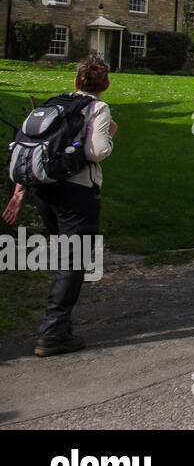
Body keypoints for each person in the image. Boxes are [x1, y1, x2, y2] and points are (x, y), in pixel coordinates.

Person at [2, 55, 116, 357]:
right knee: (73, 261)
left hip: (44, 192)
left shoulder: (53, 105)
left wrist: (19, 192)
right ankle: (52, 333)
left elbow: (32, 149)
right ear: (104, 85)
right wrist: (111, 135)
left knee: (65, 257)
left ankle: (56, 326)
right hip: (76, 193)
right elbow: (97, 151)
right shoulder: (97, 108)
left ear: (76, 81)